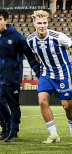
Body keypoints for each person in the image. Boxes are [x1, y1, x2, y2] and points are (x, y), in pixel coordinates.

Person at [26, 10, 72, 144]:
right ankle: (54, 135)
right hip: (46, 73)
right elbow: (36, 55)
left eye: (44, 22)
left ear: (48, 23)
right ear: (34, 23)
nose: (42, 25)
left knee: (67, 106)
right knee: (42, 101)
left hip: (62, 73)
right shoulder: (30, 39)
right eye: (39, 23)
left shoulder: (58, 36)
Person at [0, 8, 41, 142]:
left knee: (13, 106)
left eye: (0, 19)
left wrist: (38, 73)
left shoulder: (16, 36)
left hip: (11, 77)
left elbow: (29, 55)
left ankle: (13, 132)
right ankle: (5, 128)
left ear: (5, 20)